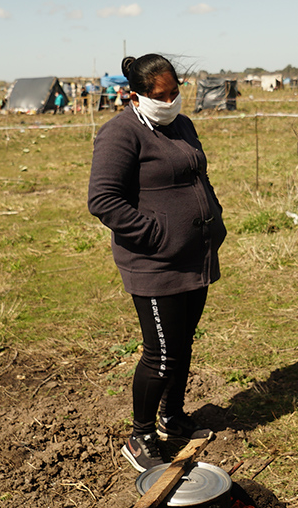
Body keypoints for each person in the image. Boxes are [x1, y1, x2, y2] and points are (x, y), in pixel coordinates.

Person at [88, 54, 227, 472]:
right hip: (154, 264)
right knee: (161, 354)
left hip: (195, 257)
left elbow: (197, 175)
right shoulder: (120, 134)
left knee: (182, 343)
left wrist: (213, 219)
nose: (169, 101)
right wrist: (158, 234)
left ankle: (173, 416)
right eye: (159, 96)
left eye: (174, 92)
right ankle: (141, 434)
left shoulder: (182, 125)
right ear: (137, 95)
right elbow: (103, 200)